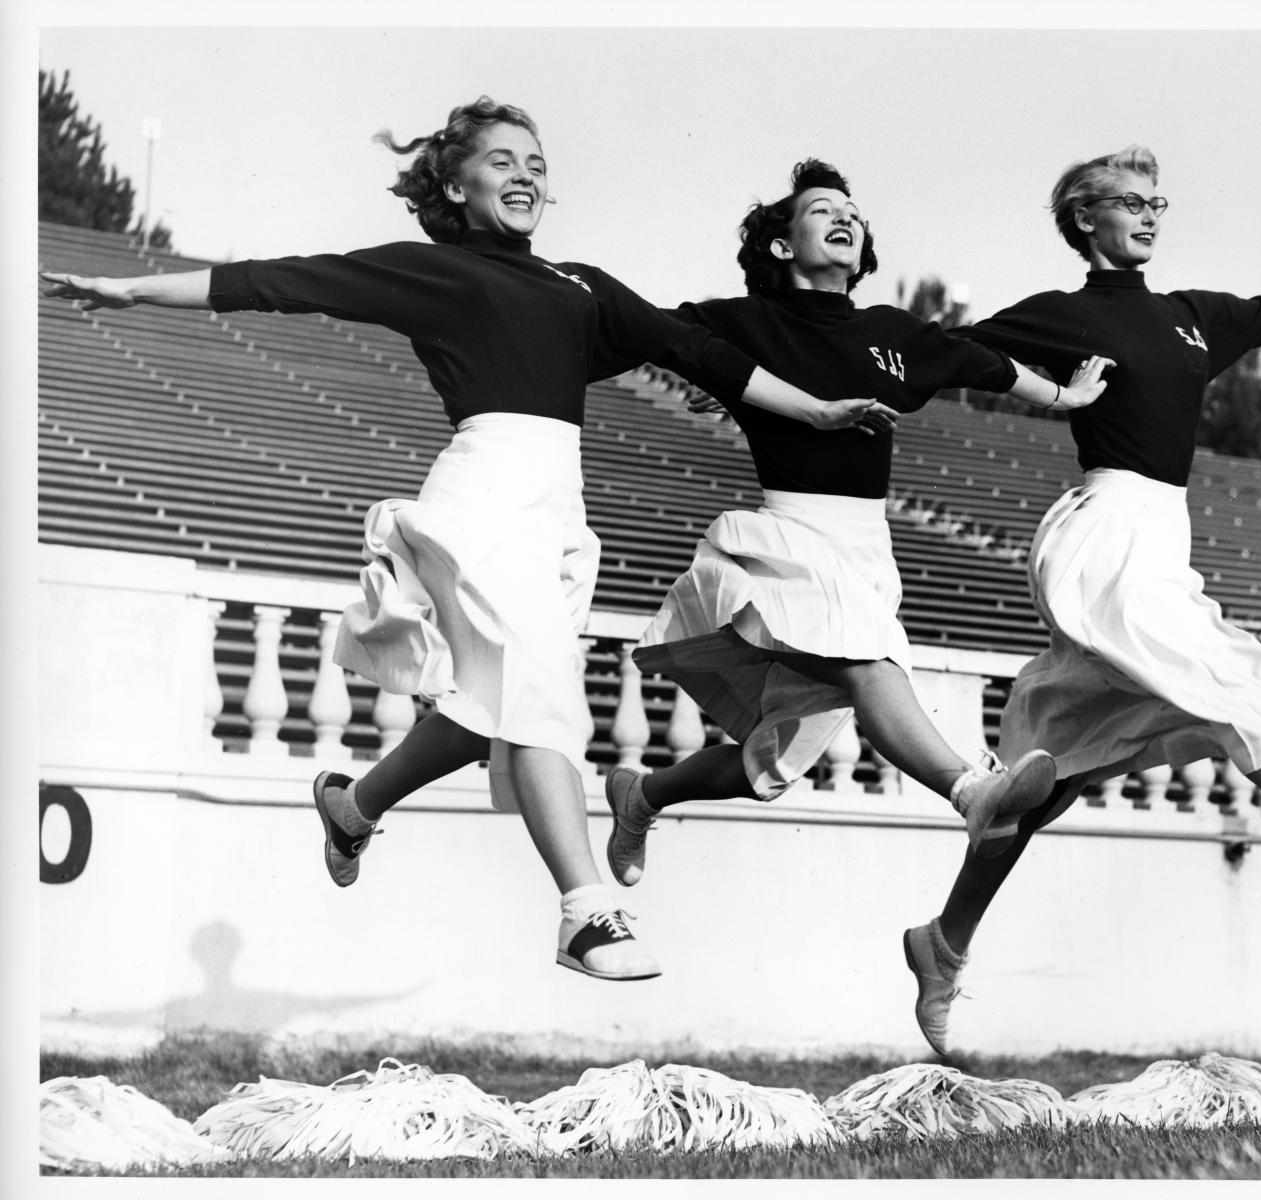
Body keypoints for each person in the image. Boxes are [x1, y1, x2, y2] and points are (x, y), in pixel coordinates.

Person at [41, 99, 896, 984]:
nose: (525, 174)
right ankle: (584, 908)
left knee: (492, 707)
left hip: (556, 511)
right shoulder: (436, 271)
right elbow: (283, 279)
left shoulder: (582, 287)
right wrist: (133, 289)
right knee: (542, 689)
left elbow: (701, 354)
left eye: (536, 162)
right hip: (483, 496)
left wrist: (817, 410)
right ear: (456, 185)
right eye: (501, 160)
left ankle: (353, 805)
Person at [901, 144, 1261, 1055]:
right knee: (1222, 668)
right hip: (1103, 532)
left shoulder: (1194, 316)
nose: (1149, 215)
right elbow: (935, 354)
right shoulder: (1060, 314)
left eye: (1157, 203)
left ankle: (943, 943)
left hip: (1161, 538)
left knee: (1044, 777)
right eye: (1130, 202)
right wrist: (806, 397)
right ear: (1085, 219)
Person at [600, 159, 1113, 891]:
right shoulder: (745, 322)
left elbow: (986, 365)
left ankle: (640, 796)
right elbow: (646, 330)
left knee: (767, 766)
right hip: (785, 540)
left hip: (867, 552)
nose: (844, 217)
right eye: (821, 209)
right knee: (873, 665)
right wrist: (716, 378)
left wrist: (1065, 397)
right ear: (782, 245)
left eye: (851, 211)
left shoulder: (891, 332)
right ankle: (972, 791)